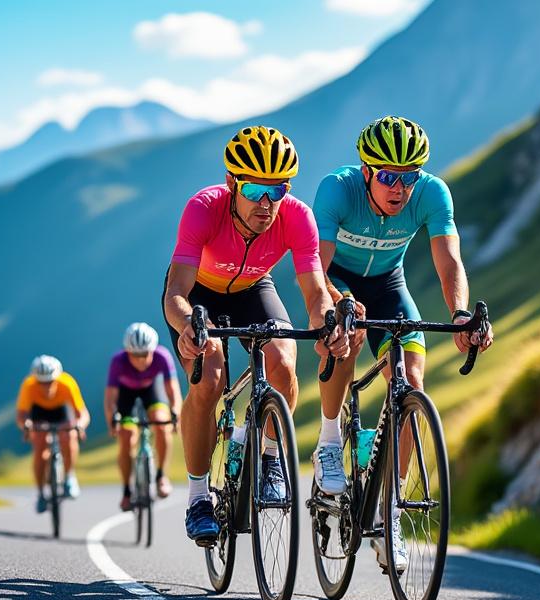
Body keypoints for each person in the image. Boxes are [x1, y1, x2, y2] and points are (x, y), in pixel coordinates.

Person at [312, 115, 494, 571]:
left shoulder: (433, 194)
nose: (399, 188)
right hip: (338, 282)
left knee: (412, 384)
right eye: (389, 177)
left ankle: (386, 514)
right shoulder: (337, 190)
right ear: (367, 171)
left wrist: (460, 315)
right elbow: (318, 268)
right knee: (347, 338)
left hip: (390, 285)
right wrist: (338, 305)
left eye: (409, 177)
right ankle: (330, 441)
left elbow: (449, 260)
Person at [162, 125, 350, 545]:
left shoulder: (296, 216)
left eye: (277, 190)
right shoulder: (203, 208)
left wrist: (329, 324)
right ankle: (197, 498)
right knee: (209, 381)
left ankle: (269, 459)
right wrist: (187, 326)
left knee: (283, 365)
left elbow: (316, 291)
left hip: (253, 289)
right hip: (199, 295)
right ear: (232, 184)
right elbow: (176, 292)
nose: (266, 204)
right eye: (253, 191)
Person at [106, 322, 182, 511]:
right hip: (127, 395)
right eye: (135, 355)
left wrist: (175, 414)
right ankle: (126, 490)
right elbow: (110, 397)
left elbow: (173, 390)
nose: (140, 360)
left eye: (145, 355)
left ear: (152, 349)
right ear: (128, 352)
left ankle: (161, 476)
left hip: (151, 390)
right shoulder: (118, 361)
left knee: (162, 425)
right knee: (127, 436)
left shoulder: (162, 356)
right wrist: (112, 421)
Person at [16, 355, 89, 512]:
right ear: (35, 380)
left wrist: (79, 426)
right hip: (39, 413)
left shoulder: (67, 384)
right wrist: (26, 425)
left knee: (69, 437)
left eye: (50, 382)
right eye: (42, 383)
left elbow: (82, 413)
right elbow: (21, 415)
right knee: (40, 448)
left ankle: (69, 476)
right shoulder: (28, 386)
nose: (46, 387)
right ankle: (41, 493)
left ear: (57, 378)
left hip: (61, 411)